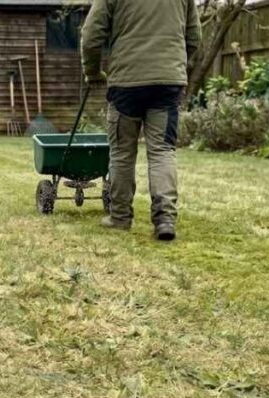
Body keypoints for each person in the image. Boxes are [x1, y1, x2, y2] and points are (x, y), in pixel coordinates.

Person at [81, 0, 201, 241]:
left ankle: (120, 217)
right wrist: (173, 64)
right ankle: (165, 219)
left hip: (126, 81)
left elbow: (91, 35)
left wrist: (92, 72)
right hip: (167, 82)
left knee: (122, 152)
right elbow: (194, 37)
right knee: (162, 151)